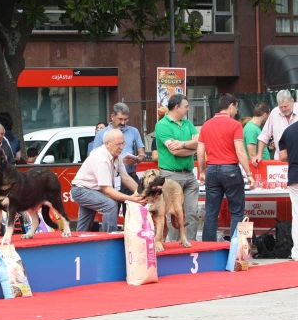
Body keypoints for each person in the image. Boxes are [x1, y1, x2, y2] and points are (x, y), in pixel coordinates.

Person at [197, 94, 255, 242]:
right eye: (236, 107)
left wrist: (202, 171)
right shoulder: (235, 125)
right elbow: (240, 151)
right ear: (230, 106)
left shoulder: (206, 125)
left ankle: (207, 251)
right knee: (236, 212)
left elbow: (200, 151)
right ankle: (236, 251)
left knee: (211, 213)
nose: (236, 111)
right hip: (230, 169)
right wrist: (249, 174)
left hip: (211, 170)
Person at [71, 129, 146, 232]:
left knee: (83, 228)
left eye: (123, 143)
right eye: (118, 144)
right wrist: (130, 198)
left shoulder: (117, 156)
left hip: (90, 189)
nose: (121, 147)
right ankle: (109, 239)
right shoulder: (101, 158)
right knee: (110, 205)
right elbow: (107, 190)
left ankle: (77, 245)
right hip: (81, 191)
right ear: (107, 144)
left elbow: (126, 177)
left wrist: (143, 194)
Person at [154, 94, 200, 242]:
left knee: (192, 213)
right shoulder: (162, 125)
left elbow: (200, 141)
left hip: (189, 174)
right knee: (172, 214)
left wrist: (182, 144)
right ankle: (174, 246)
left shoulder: (187, 123)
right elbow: (174, 151)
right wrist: (192, 148)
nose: (188, 109)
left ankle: (190, 242)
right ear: (177, 107)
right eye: (186, 106)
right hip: (171, 176)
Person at [92, 103, 145, 217]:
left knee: (133, 213)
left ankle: (130, 235)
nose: (123, 123)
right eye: (120, 119)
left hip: (130, 176)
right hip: (111, 180)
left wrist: (137, 160)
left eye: (126, 119)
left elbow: (142, 154)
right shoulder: (102, 134)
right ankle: (111, 234)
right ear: (112, 117)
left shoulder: (133, 131)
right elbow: (93, 157)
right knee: (111, 212)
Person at [253, 90, 298, 164]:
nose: (283, 109)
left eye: (286, 106)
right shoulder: (275, 112)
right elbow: (264, 135)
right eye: (281, 107)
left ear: (292, 101)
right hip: (280, 160)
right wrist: (259, 155)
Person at [278, 121, 298, 260]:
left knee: (297, 216)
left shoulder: (289, 130)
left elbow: (282, 156)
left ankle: (297, 252)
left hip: (295, 176)